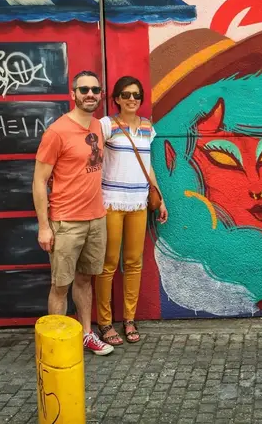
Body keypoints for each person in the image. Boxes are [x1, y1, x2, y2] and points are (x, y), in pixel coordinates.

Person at [33, 70, 113, 356]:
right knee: (60, 285)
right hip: (66, 222)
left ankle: (86, 334)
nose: (90, 94)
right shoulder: (57, 132)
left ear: (101, 94)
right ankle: (56, 345)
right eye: (84, 89)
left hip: (96, 218)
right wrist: (44, 226)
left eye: (95, 90)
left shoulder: (99, 127)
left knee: (84, 280)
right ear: (73, 94)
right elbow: (39, 181)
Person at [95, 76, 168, 345]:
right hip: (111, 202)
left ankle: (129, 319)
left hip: (139, 202)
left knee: (134, 262)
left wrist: (160, 199)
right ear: (116, 98)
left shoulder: (148, 127)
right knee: (108, 264)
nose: (132, 99)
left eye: (136, 95)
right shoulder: (106, 125)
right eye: (126, 94)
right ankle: (104, 322)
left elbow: (148, 165)